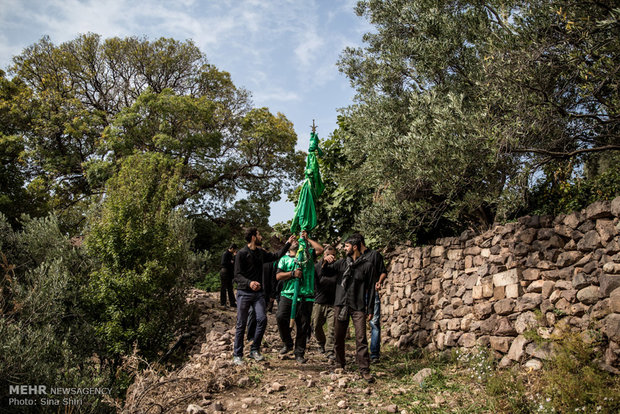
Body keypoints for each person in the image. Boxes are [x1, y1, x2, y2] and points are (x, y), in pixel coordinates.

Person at [232, 228, 295, 366]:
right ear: (254, 237)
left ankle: (254, 350)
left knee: (262, 319)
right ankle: (237, 354)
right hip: (244, 293)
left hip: (258, 294)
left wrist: (288, 243)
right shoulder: (241, 254)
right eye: (259, 234)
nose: (261, 236)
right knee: (241, 324)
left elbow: (276, 255)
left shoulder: (260, 253)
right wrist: (249, 283)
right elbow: (237, 275)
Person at [323, 235, 376, 383]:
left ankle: (364, 370)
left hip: (358, 306)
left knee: (361, 338)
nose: (343, 248)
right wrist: (324, 262)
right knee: (339, 337)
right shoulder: (341, 264)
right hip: (341, 304)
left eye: (346, 246)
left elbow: (371, 289)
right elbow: (326, 272)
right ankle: (340, 364)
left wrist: (370, 309)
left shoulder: (367, 266)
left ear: (354, 247)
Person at [275, 230, 324, 364]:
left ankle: (299, 353)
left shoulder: (307, 256)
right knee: (280, 317)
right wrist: (292, 274)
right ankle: (287, 342)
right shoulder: (284, 259)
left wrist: (307, 239)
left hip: (305, 296)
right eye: (293, 240)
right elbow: (278, 276)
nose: (296, 241)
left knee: (303, 326)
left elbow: (320, 249)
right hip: (288, 295)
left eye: (297, 240)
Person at [354, 233, 388, 362]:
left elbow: (383, 271)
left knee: (374, 323)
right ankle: (361, 354)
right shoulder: (353, 257)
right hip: (357, 295)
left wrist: (379, 282)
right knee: (359, 324)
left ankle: (374, 355)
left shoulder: (375, 255)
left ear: (358, 244)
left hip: (372, 294)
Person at [311, 245, 338, 361]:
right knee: (316, 325)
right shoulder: (317, 267)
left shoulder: (337, 267)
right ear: (323, 255)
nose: (330, 257)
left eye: (333, 255)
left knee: (332, 328)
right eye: (327, 255)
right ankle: (321, 342)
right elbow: (317, 280)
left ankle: (329, 350)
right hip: (319, 301)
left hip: (333, 303)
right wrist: (324, 264)